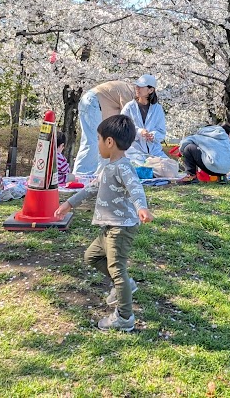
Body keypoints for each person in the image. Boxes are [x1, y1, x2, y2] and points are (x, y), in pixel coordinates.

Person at [55, 114, 152, 331]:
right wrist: (68, 204)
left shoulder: (124, 167)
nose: (97, 143)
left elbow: (136, 188)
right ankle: (125, 285)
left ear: (109, 142)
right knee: (92, 256)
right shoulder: (108, 167)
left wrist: (141, 208)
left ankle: (124, 318)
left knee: (117, 268)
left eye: (98, 139)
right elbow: (91, 188)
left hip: (122, 226)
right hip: (109, 226)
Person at [121, 75, 167, 161]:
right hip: (134, 151)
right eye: (137, 86)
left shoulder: (157, 109)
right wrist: (139, 132)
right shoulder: (129, 107)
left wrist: (153, 135)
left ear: (151, 90)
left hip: (155, 151)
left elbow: (162, 132)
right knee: (142, 170)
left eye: (141, 86)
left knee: (170, 168)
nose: (137, 88)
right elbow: (122, 129)